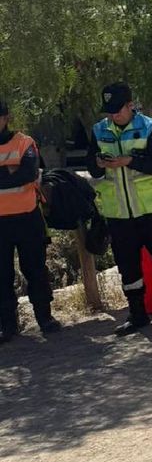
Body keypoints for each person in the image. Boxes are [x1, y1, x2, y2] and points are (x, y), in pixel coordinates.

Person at [86, 82, 152, 336]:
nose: (112, 115)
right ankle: (137, 315)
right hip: (118, 213)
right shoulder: (98, 131)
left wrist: (129, 160)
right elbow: (93, 168)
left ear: (131, 105)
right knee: (128, 267)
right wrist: (99, 164)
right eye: (108, 111)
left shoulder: (150, 128)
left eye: (117, 110)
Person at [0, 98, 61, 343]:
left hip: (27, 218)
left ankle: (44, 318)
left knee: (35, 270)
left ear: (5, 118)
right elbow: (16, 175)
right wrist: (9, 172)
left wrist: (14, 174)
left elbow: (27, 174)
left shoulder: (25, 142)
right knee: (1, 275)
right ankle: (8, 325)